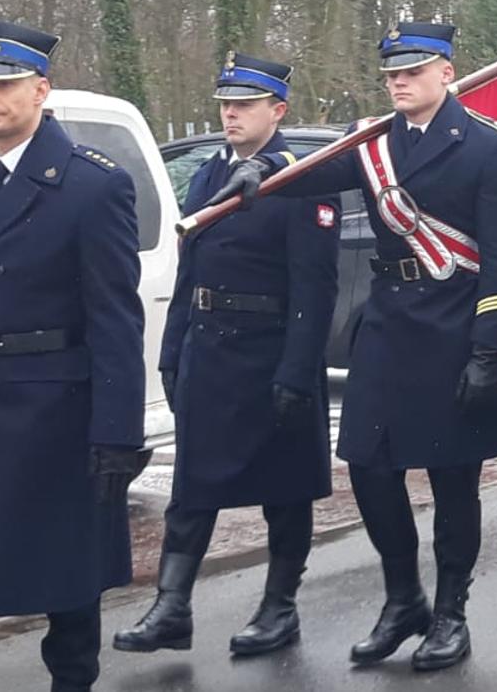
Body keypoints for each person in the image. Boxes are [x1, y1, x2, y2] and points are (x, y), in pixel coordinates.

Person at [209, 21, 497, 671]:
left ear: (445, 71)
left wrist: (489, 349)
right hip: (388, 326)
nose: (401, 83)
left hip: (454, 323)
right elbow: (313, 174)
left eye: (413, 71)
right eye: (392, 75)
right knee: (370, 464)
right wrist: (262, 170)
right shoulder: (375, 144)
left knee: (453, 479)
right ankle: (403, 597)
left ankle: (449, 613)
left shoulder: (485, 147)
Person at [0, 18, 149, 692]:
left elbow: (114, 321)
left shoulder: (92, 185)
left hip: (57, 415)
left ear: (41, 89)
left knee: (69, 599)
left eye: (2, 84)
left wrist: (117, 435)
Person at [116, 53, 337, 658]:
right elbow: (193, 271)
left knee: (285, 488)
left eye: (244, 103)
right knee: (193, 485)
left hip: (271, 352)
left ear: (278, 110)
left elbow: (315, 288)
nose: (231, 113)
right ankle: (172, 606)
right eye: (226, 103)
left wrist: (297, 371)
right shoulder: (211, 174)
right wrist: (173, 345)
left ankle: (279, 606)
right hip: (210, 350)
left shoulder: (303, 178)